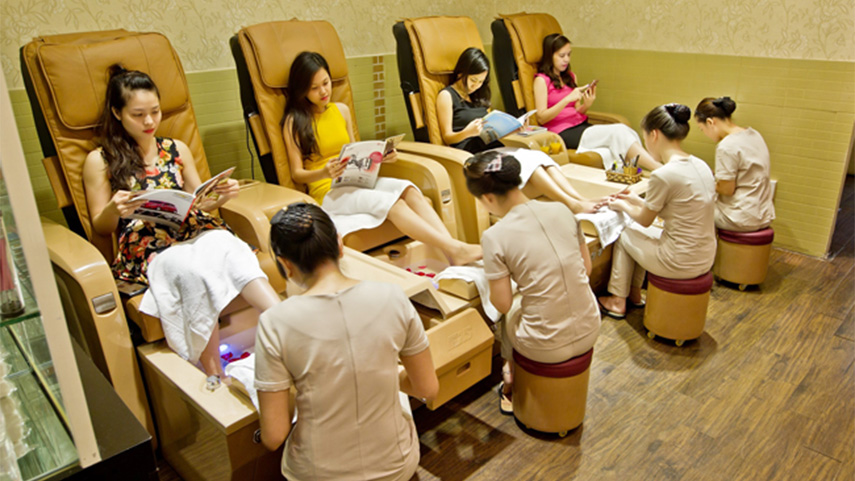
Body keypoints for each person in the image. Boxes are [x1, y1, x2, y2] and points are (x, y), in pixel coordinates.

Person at [83, 66, 280, 385]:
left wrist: (219, 197)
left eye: (155, 111)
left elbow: (197, 202)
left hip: (191, 228)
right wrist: (113, 209)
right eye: (138, 115)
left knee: (229, 247)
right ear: (118, 113)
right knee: (191, 270)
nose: (149, 121)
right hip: (146, 244)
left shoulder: (176, 149)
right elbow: (100, 227)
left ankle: (285, 323)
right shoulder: (100, 160)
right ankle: (214, 370)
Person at [255, 203, 438, 481]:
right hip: (396, 466)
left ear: (285, 264)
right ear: (339, 245)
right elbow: (427, 388)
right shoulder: (393, 297)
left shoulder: (274, 322)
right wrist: (380, 375)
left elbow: (274, 436)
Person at [284, 51, 481, 265]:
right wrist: (323, 172)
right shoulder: (294, 121)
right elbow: (296, 174)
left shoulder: (341, 110)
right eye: (314, 88)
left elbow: (355, 152)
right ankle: (455, 250)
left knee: (410, 190)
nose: (323, 91)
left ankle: (453, 253)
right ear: (302, 90)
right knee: (395, 204)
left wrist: (379, 157)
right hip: (328, 192)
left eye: (326, 83)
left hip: (354, 180)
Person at [463, 150, 601, 415]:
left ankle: (508, 373)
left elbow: (502, 304)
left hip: (544, 343)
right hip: (591, 327)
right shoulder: (562, 210)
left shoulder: (494, 236)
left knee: (510, 304)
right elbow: (586, 268)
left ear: (487, 198)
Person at [437, 47, 598, 213]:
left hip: (490, 147)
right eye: (473, 80)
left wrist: (512, 129)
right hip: (472, 155)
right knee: (529, 162)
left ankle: (580, 199)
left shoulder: (478, 96)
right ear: (461, 73)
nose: (476, 86)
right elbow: (447, 137)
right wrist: (467, 132)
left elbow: (490, 130)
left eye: (481, 82)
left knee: (539, 157)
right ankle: (572, 205)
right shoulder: (447, 96)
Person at [598, 104, 716, 318]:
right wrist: (635, 199)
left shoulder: (664, 175)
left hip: (679, 261)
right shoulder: (701, 165)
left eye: (644, 138)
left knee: (625, 233)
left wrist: (622, 205)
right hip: (706, 256)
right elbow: (677, 208)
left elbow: (644, 220)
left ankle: (617, 300)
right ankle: (634, 294)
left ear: (654, 135)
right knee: (643, 232)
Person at [534, 34, 662, 172]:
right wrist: (566, 99)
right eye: (562, 55)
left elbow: (577, 111)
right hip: (561, 133)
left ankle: (639, 171)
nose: (566, 59)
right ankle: (658, 168)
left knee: (624, 130)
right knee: (618, 132)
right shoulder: (541, 80)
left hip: (581, 126)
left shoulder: (570, 77)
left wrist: (587, 104)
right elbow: (541, 117)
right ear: (550, 55)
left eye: (569, 55)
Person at [695, 96, 775, 232]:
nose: (705, 134)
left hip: (739, 218)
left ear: (710, 122)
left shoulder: (726, 146)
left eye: (702, 129)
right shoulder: (754, 134)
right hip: (763, 215)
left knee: (690, 206)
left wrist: (704, 182)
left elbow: (727, 190)